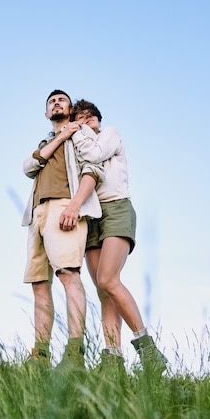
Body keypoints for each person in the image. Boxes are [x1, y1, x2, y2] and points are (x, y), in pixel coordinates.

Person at [71, 98, 168, 372]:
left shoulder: (109, 135)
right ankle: (113, 359)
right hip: (91, 216)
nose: (85, 121)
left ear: (98, 121)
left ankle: (148, 351)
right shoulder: (77, 147)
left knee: (108, 279)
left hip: (116, 208)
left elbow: (94, 155)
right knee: (103, 291)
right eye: (79, 118)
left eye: (90, 117)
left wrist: (80, 130)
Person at [21, 90, 104, 368]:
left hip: (64, 208)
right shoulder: (48, 141)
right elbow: (29, 167)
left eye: (62, 101)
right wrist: (61, 136)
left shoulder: (81, 135)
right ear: (47, 114)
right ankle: (40, 356)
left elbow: (93, 170)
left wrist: (74, 207)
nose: (56, 103)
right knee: (39, 284)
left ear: (70, 111)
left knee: (69, 276)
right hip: (38, 214)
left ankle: (74, 355)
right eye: (51, 102)